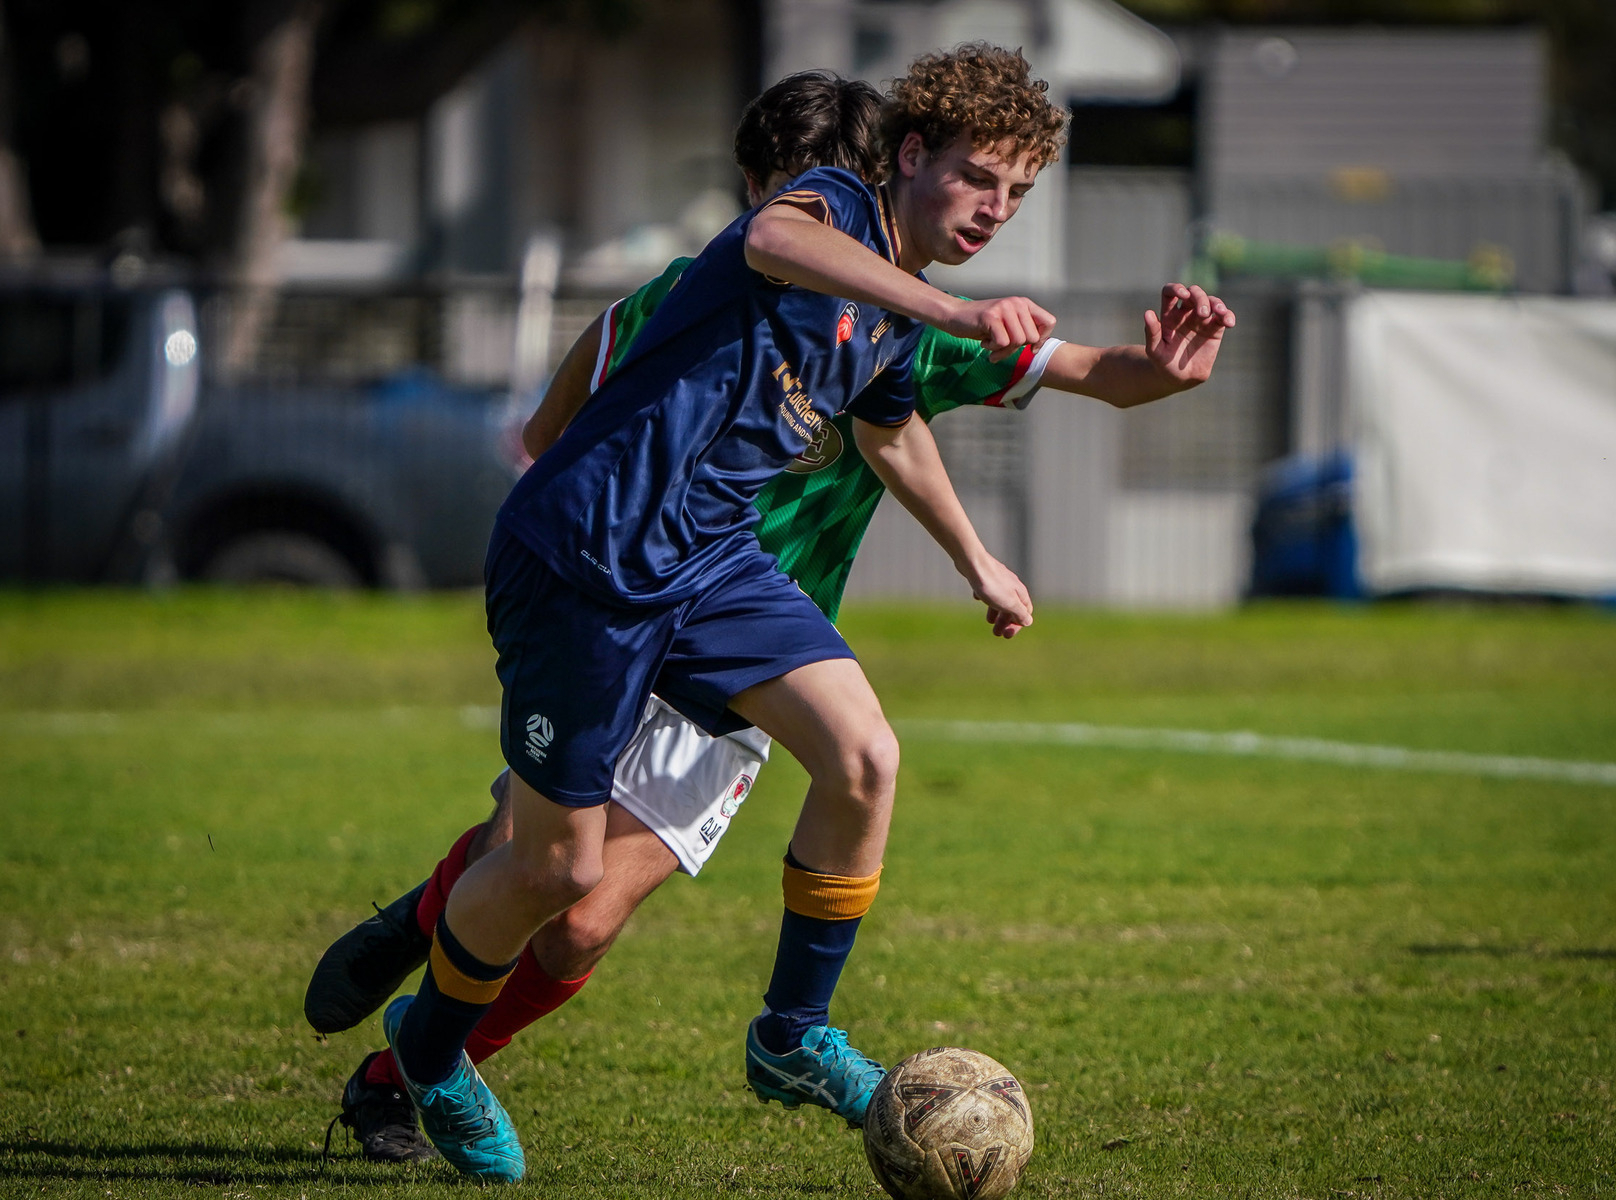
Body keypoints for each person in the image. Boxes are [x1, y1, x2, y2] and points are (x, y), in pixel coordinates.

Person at [315, 55, 1234, 1168]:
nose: (995, 209)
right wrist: (951, 304)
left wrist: (1151, 389)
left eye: (1018, 193)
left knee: (863, 758)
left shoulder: (896, 326)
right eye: (979, 179)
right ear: (903, 159)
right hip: (585, 562)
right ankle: (426, 1053)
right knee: (554, 875)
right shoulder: (828, 213)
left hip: (714, 565)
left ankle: (792, 1034)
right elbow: (769, 243)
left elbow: (907, 426)